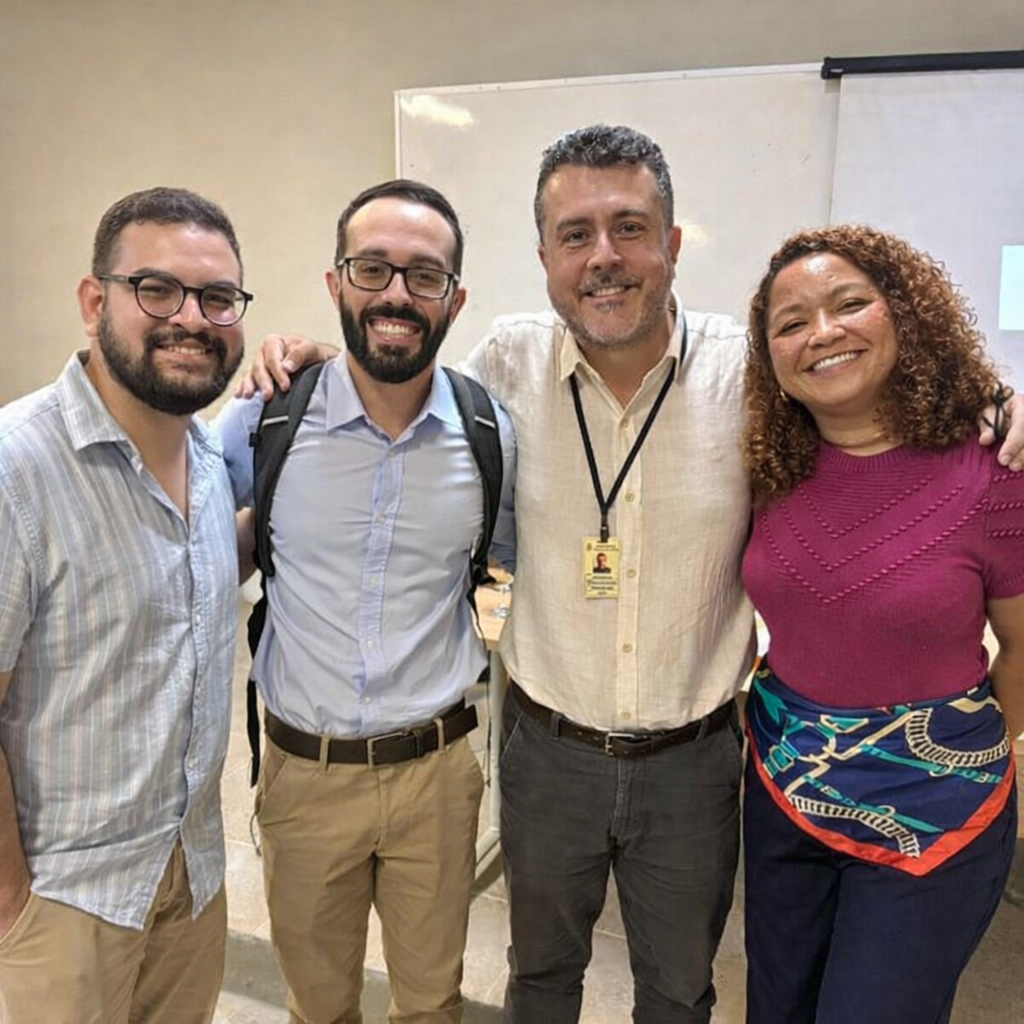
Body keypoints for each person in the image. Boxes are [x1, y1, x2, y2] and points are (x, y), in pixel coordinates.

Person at [242, 127, 1024, 1024]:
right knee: (540, 977)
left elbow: (868, 397)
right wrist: (307, 357)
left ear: (673, 244)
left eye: (630, 228)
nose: (603, 257)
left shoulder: (753, 372)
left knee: (679, 990)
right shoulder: (505, 362)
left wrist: (997, 398)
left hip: (694, 759)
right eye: (574, 235)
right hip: (545, 747)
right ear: (545, 257)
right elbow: (398, 382)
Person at [213, 179, 516, 1024]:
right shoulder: (262, 422)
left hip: (437, 776)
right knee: (318, 1005)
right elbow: (190, 561)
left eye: (425, 276)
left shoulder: (490, 434)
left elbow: (504, 566)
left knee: (431, 1004)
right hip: (305, 776)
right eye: (372, 268)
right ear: (335, 282)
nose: (396, 295)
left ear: (455, 299)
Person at [741, 224, 1024, 1024]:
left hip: (934, 810)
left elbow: (1023, 653)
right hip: (783, 784)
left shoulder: (994, 470)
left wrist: (945, 753)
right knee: (777, 1007)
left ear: (903, 312)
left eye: (849, 304)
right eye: (791, 322)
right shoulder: (769, 468)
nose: (822, 332)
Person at [0, 187, 249, 1024]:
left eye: (217, 297)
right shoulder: (16, 469)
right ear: (93, 301)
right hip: (66, 902)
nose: (191, 318)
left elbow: (187, 591)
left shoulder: (208, 459)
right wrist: (12, 904)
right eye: (157, 289)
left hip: (192, 880)